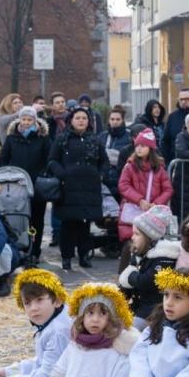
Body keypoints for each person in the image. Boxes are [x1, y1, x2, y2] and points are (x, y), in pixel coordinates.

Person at [48, 106, 105, 270]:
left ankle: (84, 256)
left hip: (89, 188)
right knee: (68, 224)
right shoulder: (62, 139)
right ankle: (66, 257)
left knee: (85, 225)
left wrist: (99, 174)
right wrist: (62, 174)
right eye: (78, 118)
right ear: (71, 121)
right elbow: (52, 160)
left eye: (84, 118)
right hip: (68, 188)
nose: (81, 121)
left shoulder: (94, 140)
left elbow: (104, 162)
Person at [0, 106, 51, 259]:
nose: (26, 122)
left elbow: (49, 160)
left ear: (35, 121)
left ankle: (35, 251)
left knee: (36, 219)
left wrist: (43, 174)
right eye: (24, 119)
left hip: (37, 185)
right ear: (19, 120)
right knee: (17, 218)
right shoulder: (11, 138)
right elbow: (3, 161)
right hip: (16, 186)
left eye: (30, 119)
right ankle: (19, 249)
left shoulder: (43, 138)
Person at [117, 129, 173, 244]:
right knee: (130, 244)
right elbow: (123, 185)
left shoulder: (159, 169)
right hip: (133, 209)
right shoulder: (130, 166)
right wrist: (139, 200)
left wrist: (156, 204)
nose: (138, 148)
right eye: (137, 145)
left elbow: (168, 189)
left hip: (152, 212)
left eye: (143, 146)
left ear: (150, 148)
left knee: (151, 242)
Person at [101, 108, 133, 193]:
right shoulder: (102, 136)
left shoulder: (129, 136)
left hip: (123, 180)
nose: (115, 122)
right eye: (112, 119)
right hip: (105, 181)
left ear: (123, 120)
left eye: (118, 119)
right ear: (108, 120)